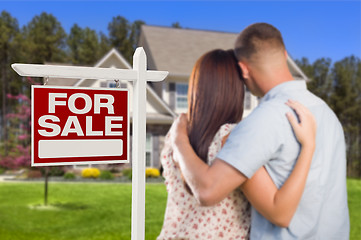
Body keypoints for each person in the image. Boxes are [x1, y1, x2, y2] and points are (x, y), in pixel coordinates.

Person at [170, 23, 350, 239]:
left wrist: (179, 140)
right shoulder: (327, 114)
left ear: (243, 69)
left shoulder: (262, 121)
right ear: (284, 54)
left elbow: (207, 191)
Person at [158, 49, 317, 239]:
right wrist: (308, 146)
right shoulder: (232, 139)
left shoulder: (177, 133)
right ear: (235, 89)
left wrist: (178, 139)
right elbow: (279, 213)